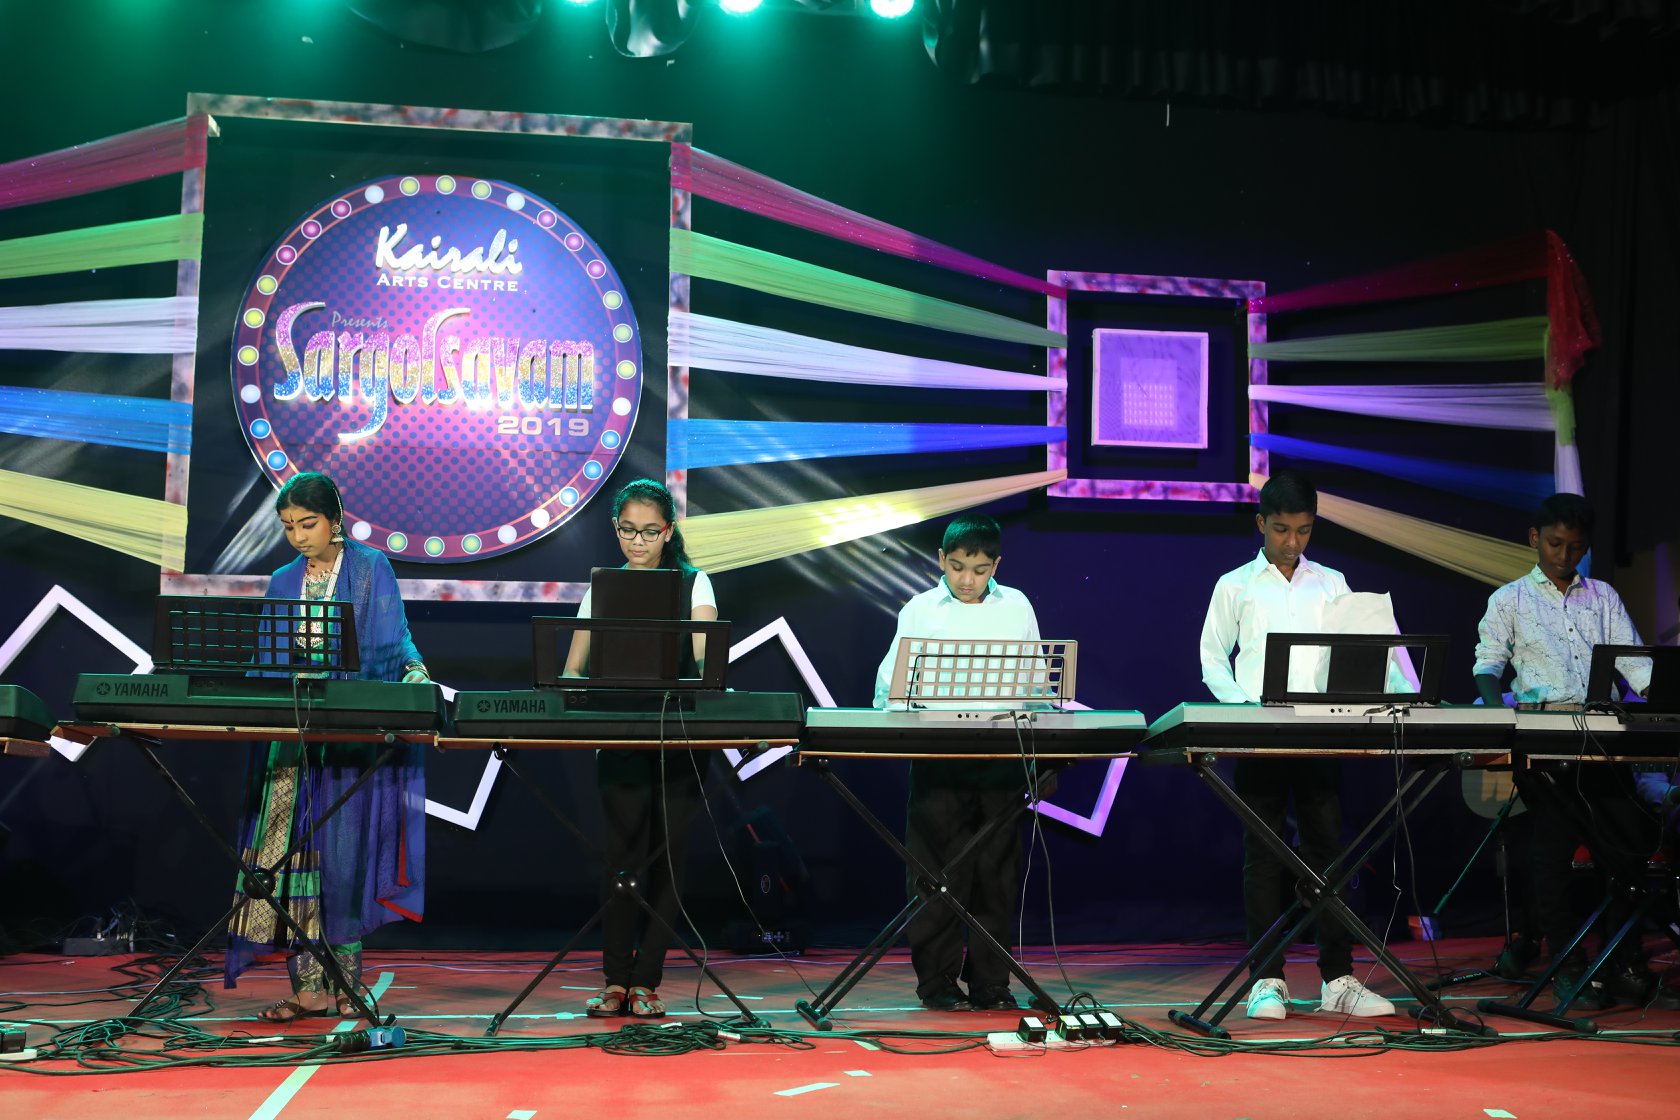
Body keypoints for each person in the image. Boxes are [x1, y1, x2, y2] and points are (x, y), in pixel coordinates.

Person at [229, 471, 430, 1023]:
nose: (298, 536)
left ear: (335, 519)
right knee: (292, 860)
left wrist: (413, 671)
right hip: (292, 741)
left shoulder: (370, 568)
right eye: (288, 526)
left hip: (347, 735)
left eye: (308, 523)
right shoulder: (282, 580)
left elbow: (394, 637)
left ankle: (346, 985)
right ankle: (307, 989)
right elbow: (268, 658)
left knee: (343, 856)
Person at [1198, 470, 1398, 1021]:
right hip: (1260, 735)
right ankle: (1267, 979)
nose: (1292, 543)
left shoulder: (1332, 582)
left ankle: (1338, 978)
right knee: (1264, 856)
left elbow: (1357, 650)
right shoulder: (1236, 585)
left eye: (1304, 531)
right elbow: (1212, 657)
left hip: (1320, 732)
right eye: (1282, 530)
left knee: (1327, 852)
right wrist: (1244, 709)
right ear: (1261, 523)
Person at [1473, 492, 1673, 1010]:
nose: (1565, 555)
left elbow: (1637, 668)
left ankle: (1623, 961)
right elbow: (1488, 665)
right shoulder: (1510, 600)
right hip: (1544, 740)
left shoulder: (1603, 597)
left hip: (1602, 737)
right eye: (1556, 543)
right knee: (1553, 854)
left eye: (1576, 547)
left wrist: (1663, 699)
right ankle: (1567, 965)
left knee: (1629, 848)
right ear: (1534, 538)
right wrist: (1500, 718)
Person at [873, 514, 1040, 1013]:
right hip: (938, 757)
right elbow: (889, 686)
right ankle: (937, 983)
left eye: (981, 570)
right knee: (935, 875)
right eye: (958, 568)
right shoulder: (920, 609)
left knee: (996, 876)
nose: (968, 580)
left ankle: (991, 983)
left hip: (1000, 756)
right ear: (941, 560)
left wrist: (1039, 743)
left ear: (997, 566)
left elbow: (1038, 684)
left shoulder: (1018, 606)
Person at [566, 478, 718, 1021]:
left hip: (680, 739)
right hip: (621, 737)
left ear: (668, 531)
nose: (638, 542)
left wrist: (704, 679)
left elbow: (705, 661)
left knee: (667, 864)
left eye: (650, 532)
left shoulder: (695, 583)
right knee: (622, 863)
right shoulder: (601, 586)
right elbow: (572, 668)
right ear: (616, 529)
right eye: (628, 530)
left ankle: (647, 982)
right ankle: (615, 981)